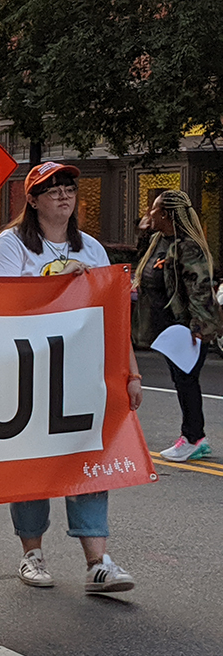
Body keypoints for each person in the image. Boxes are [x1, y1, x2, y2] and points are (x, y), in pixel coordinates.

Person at [0, 161, 141, 593]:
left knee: (89, 460)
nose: (62, 194)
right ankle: (31, 554)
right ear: (31, 200)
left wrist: (132, 372)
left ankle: (98, 562)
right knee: (34, 465)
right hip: (28, 373)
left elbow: (115, 316)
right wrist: (54, 284)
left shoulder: (91, 247)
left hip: (82, 374)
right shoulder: (11, 246)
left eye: (68, 187)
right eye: (51, 188)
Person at [133, 190, 223, 462]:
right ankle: (194, 436)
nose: (151, 212)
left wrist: (197, 327)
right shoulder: (159, 240)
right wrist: (143, 232)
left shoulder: (188, 247)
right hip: (169, 328)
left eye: (155, 209)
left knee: (186, 382)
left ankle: (194, 438)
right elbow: (145, 266)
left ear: (168, 215)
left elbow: (199, 289)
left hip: (186, 329)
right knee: (182, 380)